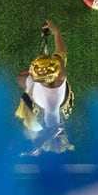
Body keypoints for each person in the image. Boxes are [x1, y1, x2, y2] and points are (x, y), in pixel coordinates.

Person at [15, 20, 75, 156]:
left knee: (20, 80)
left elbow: (53, 128)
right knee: (21, 80)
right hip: (39, 90)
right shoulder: (58, 66)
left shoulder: (51, 105)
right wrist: (56, 31)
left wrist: (37, 145)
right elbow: (61, 49)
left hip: (37, 109)